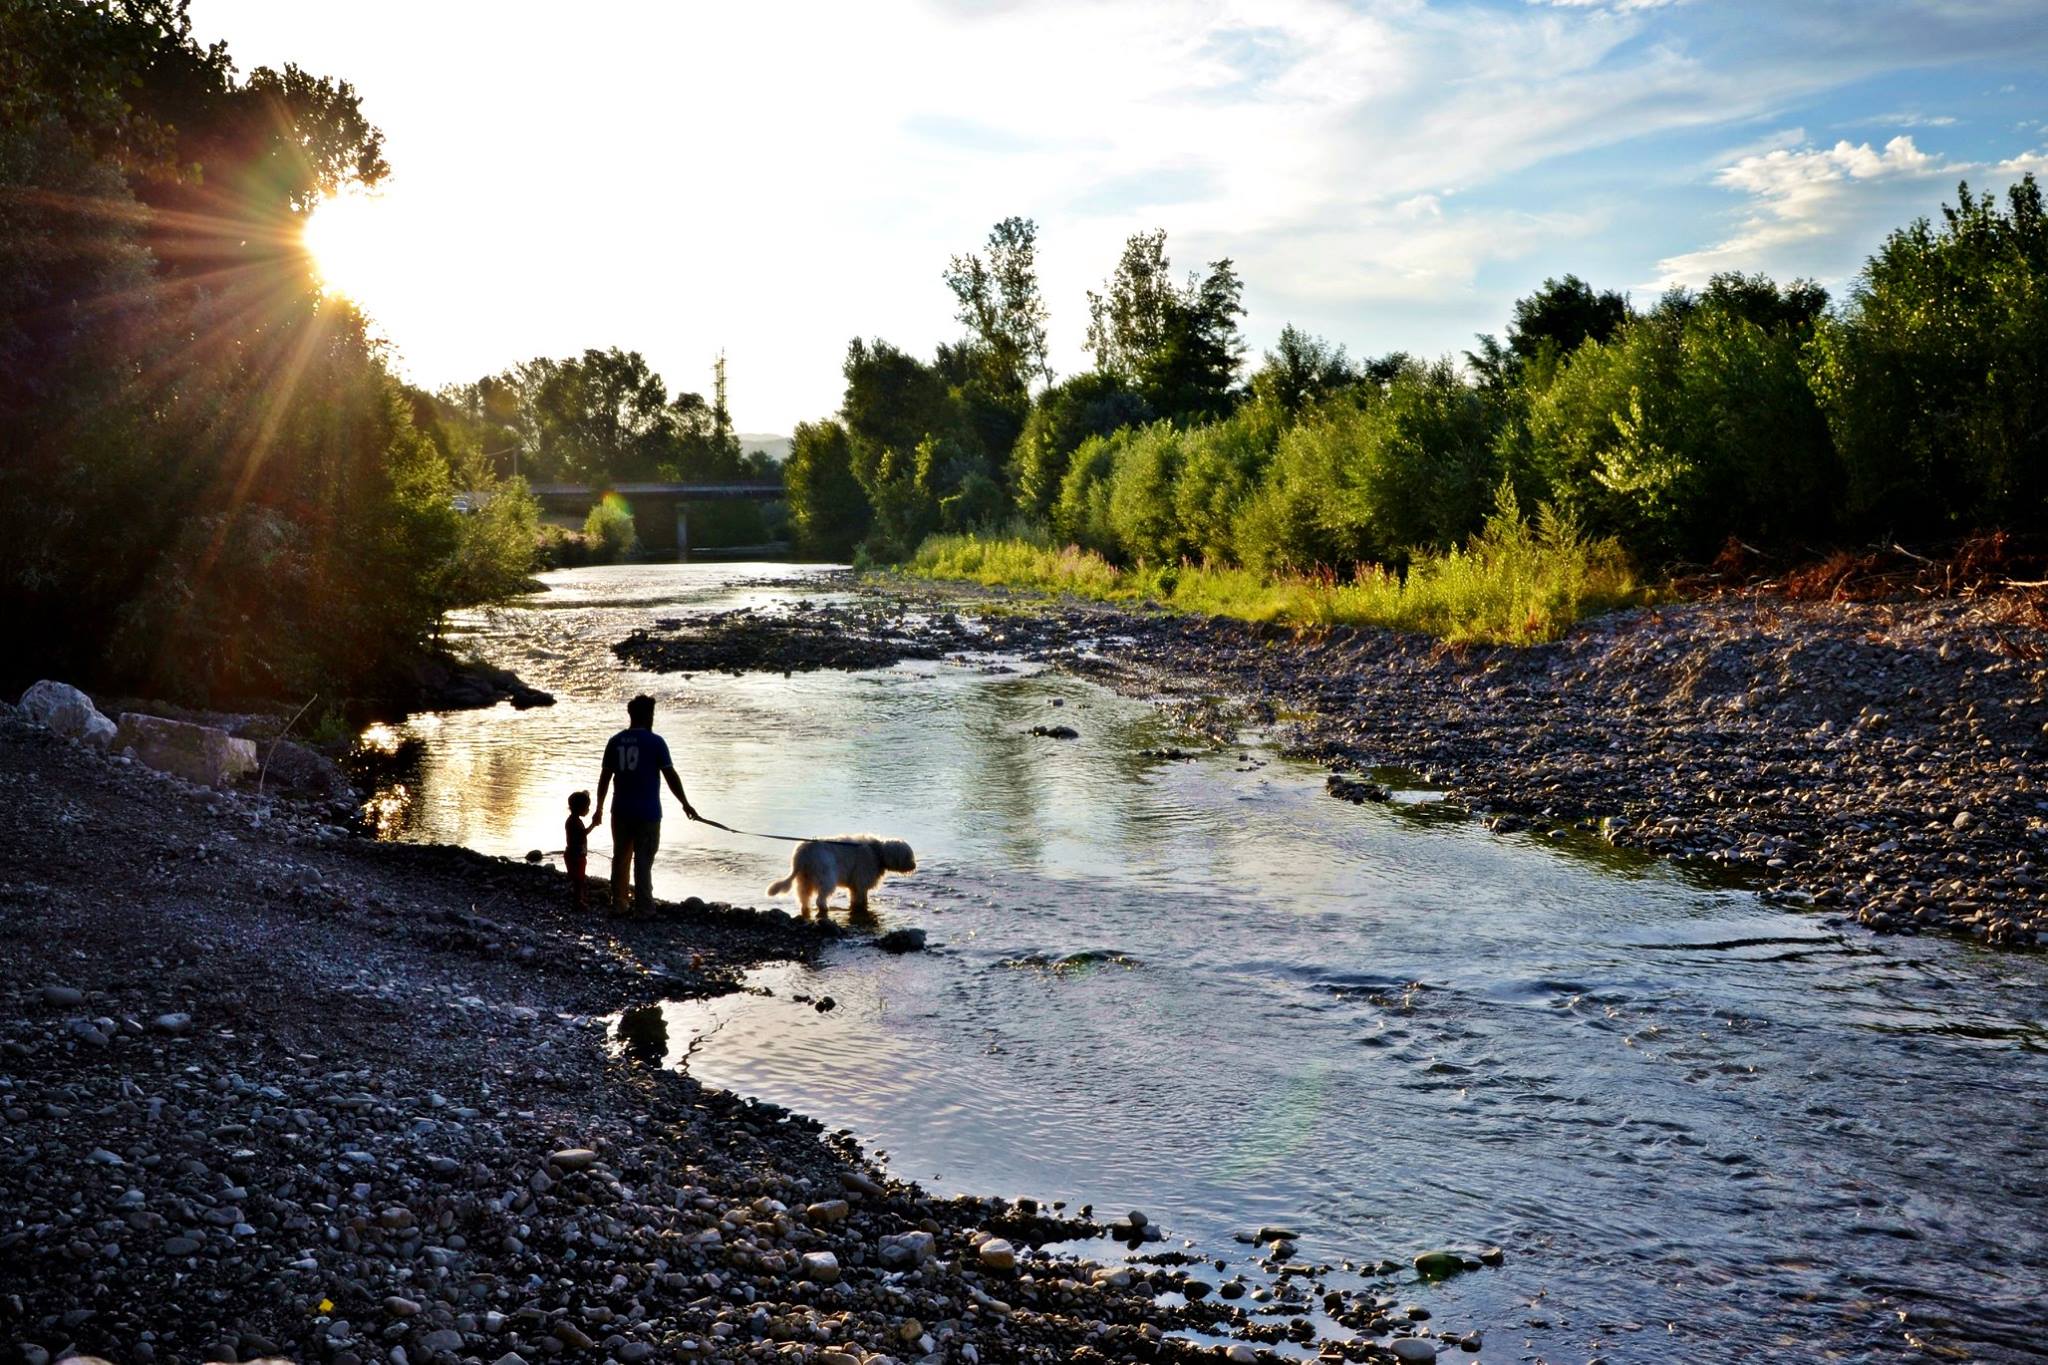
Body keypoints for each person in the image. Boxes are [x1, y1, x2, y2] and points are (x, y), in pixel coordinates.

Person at [593, 694, 699, 916]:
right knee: (643, 861)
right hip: (648, 812)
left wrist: (599, 808)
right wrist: (685, 804)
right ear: (648, 715)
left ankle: (619, 903)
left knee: (620, 858)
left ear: (631, 715)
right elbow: (670, 776)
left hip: (620, 810)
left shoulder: (615, 741)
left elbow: (604, 778)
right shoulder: (656, 742)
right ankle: (644, 908)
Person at [564, 790, 599, 909]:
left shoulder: (572, 820)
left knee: (578, 879)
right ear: (580, 808)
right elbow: (583, 834)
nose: (588, 810)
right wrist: (593, 825)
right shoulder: (575, 822)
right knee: (579, 879)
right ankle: (578, 901)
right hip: (576, 855)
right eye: (587, 807)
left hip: (573, 854)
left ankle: (578, 898)